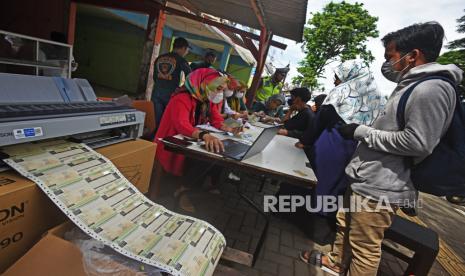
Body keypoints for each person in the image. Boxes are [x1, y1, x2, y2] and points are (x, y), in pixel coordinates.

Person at [301, 22, 463, 275]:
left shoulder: (432, 89)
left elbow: (418, 142)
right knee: (346, 225)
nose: (387, 63)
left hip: (383, 187)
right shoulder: (411, 85)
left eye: (391, 56)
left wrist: (361, 132)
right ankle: (336, 262)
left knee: (364, 246)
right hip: (367, 178)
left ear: (413, 55)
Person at [154, 68, 240, 210]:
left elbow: (216, 119)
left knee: (219, 150)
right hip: (170, 141)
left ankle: (206, 184)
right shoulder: (182, 98)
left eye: (222, 90)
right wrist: (204, 135)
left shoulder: (206, 98)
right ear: (204, 82)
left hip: (189, 139)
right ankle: (183, 191)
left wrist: (231, 127)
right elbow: (182, 124)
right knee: (206, 157)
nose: (220, 93)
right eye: (218, 88)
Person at [152, 37, 192, 131]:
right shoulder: (181, 60)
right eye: (187, 50)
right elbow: (190, 77)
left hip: (156, 93)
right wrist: (182, 89)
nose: (186, 52)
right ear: (183, 48)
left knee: (156, 121)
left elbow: (154, 77)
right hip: (170, 94)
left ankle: (153, 140)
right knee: (167, 122)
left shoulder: (160, 58)